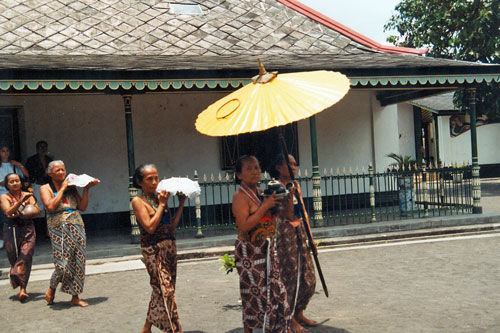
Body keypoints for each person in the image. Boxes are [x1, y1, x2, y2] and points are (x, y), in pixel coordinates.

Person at [231, 155, 292, 333]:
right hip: (249, 253)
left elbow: (277, 217)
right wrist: (265, 206)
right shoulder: (240, 196)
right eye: (248, 168)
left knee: (276, 292)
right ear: (239, 174)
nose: (254, 172)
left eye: (257, 167)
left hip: (266, 251)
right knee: (254, 295)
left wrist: (285, 200)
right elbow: (244, 225)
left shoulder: (261, 193)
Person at [131, 163, 187, 333]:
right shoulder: (138, 201)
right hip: (153, 251)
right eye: (150, 179)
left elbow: (171, 226)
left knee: (161, 290)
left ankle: (147, 327)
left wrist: (181, 204)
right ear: (140, 182)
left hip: (169, 248)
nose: (155, 182)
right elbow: (149, 227)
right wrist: (162, 205)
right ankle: (175, 329)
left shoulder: (158, 198)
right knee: (166, 291)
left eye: (156, 178)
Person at [40, 160, 98, 307]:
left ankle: (75, 296)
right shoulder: (45, 188)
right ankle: (52, 287)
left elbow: (83, 207)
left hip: (76, 224)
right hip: (57, 226)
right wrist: (63, 188)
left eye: (63, 170)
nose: (61, 172)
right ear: (50, 173)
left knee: (78, 260)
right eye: (58, 170)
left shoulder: (72, 188)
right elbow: (51, 207)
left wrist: (86, 189)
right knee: (63, 264)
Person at [270, 154, 318, 333]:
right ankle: (288, 318)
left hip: (300, 231)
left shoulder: (295, 185)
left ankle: (299, 311)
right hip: (285, 234)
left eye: (295, 164)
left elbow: (302, 210)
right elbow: (287, 213)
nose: (293, 167)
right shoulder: (276, 187)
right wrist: (288, 192)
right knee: (290, 276)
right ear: (279, 167)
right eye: (289, 164)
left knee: (308, 277)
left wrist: (311, 238)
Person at [0, 173, 40, 302]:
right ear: (7, 185)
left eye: (17, 181)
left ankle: (17, 279)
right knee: (14, 256)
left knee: (25, 255)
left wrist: (22, 211)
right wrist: (22, 203)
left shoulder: (28, 194)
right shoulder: (4, 196)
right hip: (11, 229)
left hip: (27, 228)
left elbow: (36, 211)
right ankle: (22, 289)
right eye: (12, 182)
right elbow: (8, 212)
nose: (15, 183)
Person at [0, 145, 29, 249]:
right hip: (2, 194)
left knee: (17, 214)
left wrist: (19, 164)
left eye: (7, 150)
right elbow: (3, 183)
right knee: (4, 216)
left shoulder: (13, 165)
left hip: (16, 195)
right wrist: (11, 181)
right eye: (3, 151)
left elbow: (26, 175)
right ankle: (2, 238)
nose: (5, 153)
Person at [25, 140, 53, 222]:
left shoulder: (49, 159)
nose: (43, 149)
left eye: (44, 147)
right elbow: (28, 173)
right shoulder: (31, 160)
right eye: (41, 147)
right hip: (36, 185)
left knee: (48, 206)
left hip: (47, 185)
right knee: (37, 206)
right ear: (37, 148)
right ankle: (38, 226)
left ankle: (47, 229)